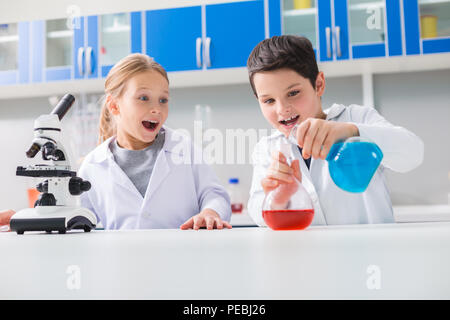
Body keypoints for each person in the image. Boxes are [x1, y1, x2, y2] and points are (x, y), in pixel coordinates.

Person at [0, 53, 232, 231]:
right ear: (114, 105)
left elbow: (214, 194)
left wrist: (211, 211)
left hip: (183, 264)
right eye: (143, 98)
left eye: (163, 100)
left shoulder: (183, 147)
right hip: (122, 271)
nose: (156, 108)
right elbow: (78, 220)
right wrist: (26, 220)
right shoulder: (93, 164)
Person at [246, 35, 424, 226]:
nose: (282, 109)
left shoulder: (356, 119)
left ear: (319, 84)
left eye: (293, 93)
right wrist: (277, 197)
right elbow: (257, 212)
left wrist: (352, 132)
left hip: (371, 252)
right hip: (310, 254)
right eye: (269, 101)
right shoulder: (268, 148)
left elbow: (413, 153)